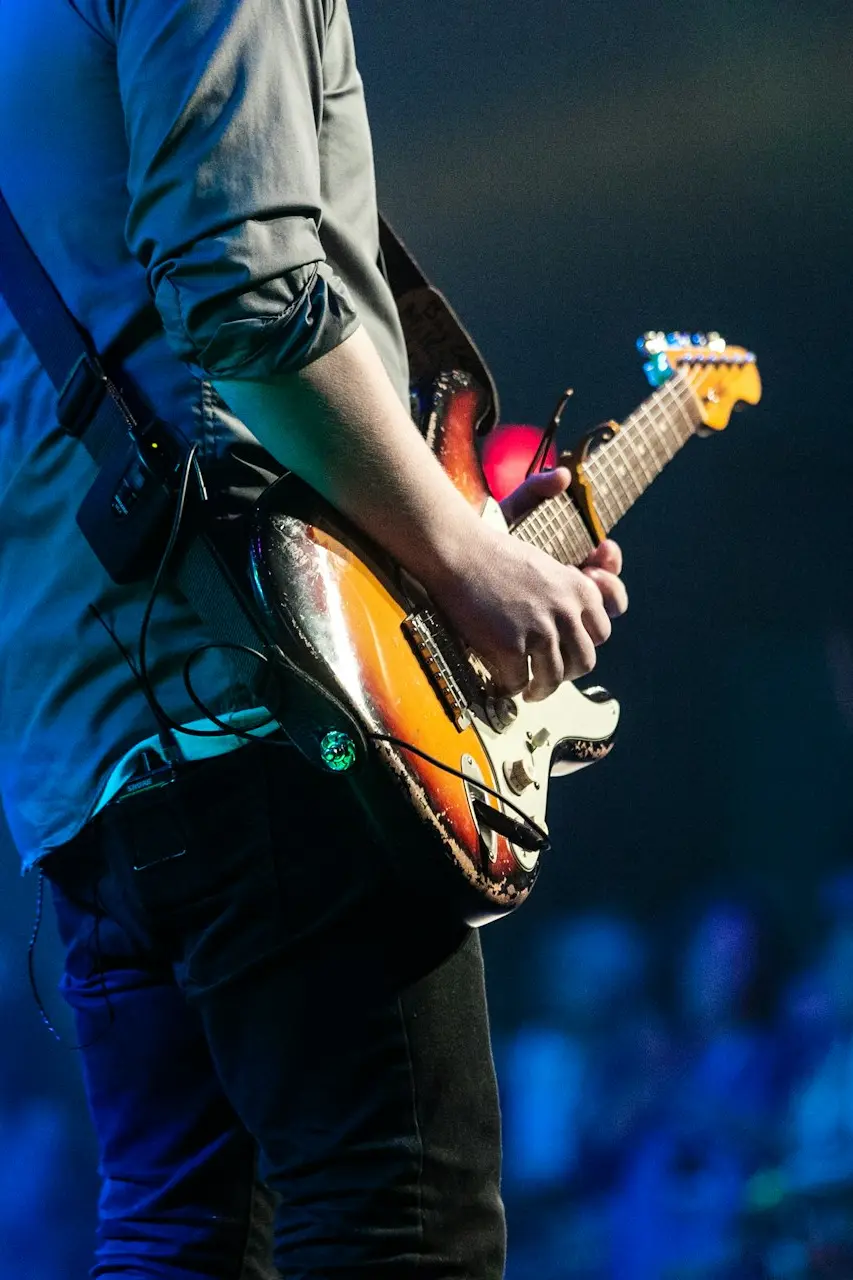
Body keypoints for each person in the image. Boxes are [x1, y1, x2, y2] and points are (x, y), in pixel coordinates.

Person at [0, 0, 627, 1275]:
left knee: (182, 1237)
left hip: (80, 758)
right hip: (272, 706)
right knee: (397, 1228)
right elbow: (250, 302)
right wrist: (464, 560)